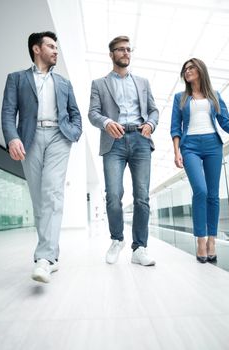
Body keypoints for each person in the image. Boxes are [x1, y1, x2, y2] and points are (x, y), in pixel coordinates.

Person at [1, 31, 82, 282]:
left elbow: (75, 113)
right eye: (50, 46)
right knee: (39, 200)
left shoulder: (64, 83)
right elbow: (7, 112)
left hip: (59, 136)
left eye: (56, 46)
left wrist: (74, 133)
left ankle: (43, 258)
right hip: (30, 138)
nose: (56, 50)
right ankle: (52, 255)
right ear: (37, 49)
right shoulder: (16, 79)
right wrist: (12, 137)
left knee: (52, 193)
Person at [88, 35, 159, 266]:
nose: (126, 53)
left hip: (140, 139)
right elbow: (93, 113)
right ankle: (117, 239)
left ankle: (139, 248)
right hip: (113, 142)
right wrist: (107, 122)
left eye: (129, 49)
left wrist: (150, 124)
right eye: (121, 49)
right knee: (114, 195)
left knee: (142, 197)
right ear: (111, 55)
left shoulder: (143, 82)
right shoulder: (99, 84)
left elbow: (153, 111)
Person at [170, 58, 229, 263]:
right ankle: (200, 240)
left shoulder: (215, 96)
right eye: (185, 69)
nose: (187, 71)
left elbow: (225, 122)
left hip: (213, 144)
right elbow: (176, 127)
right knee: (201, 191)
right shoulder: (180, 98)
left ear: (200, 70)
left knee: (213, 195)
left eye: (191, 67)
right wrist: (177, 151)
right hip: (190, 147)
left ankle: (212, 240)